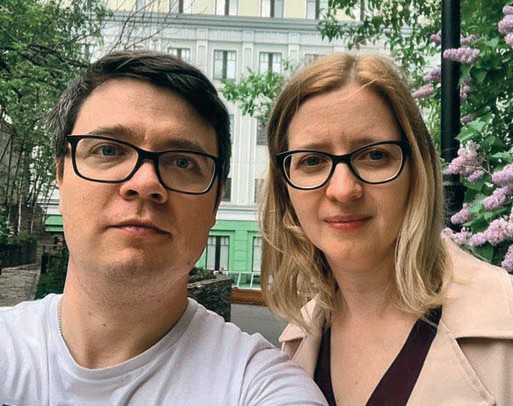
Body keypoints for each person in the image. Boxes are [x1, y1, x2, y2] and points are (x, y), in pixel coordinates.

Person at [260, 53, 513, 405]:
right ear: (285, 188)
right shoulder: (293, 351)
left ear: (417, 170)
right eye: (312, 161)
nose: (343, 190)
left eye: (375, 155)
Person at [0, 51, 326, 405]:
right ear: (61, 177)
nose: (144, 183)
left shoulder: (262, 386)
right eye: (108, 151)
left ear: (216, 202)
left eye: (182, 162)